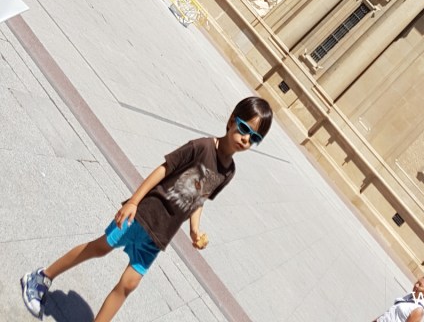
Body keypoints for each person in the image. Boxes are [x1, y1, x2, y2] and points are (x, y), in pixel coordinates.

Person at [20, 95, 273, 321]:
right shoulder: (202, 146)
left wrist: (195, 229)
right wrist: (133, 201)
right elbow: (164, 169)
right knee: (99, 248)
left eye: (255, 138)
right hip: (143, 215)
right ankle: (41, 277)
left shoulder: (228, 172)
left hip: (161, 233)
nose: (246, 139)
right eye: (244, 128)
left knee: (129, 285)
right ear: (231, 121)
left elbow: (200, 198)